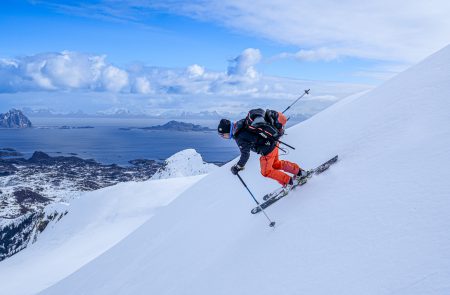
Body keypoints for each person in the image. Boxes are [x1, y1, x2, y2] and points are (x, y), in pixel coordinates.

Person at [218, 109, 308, 190]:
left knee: (266, 172)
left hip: (267, 150)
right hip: (274, 143)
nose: (223, 137)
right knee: (276, 164)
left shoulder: (239, 137)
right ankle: (300, 172)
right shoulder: (241, 123)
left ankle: (290, 182)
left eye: (223, 135)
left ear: (227, 131)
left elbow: (245, 154)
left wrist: (238, 167)